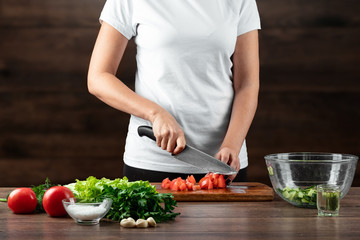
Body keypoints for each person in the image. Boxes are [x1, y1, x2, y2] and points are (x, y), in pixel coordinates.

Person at [87, 0, 261, 184]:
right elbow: (98, 77)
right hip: (152, 161)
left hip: (224, 163)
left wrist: (232, 145)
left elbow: (247, 84)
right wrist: (155, 114)